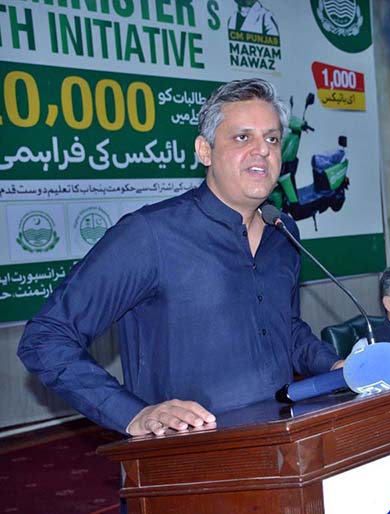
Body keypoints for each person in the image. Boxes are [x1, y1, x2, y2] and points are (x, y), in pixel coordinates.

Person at [17, 78, 342, 437]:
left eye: (272, 139)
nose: (262, 150)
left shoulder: (283, 232)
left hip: (283, 446)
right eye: (242, 137)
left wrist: (338, 365)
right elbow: (45, 338)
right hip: (185, 459)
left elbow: (285, 330)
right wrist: (132, 414)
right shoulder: (149, 234)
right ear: (204, 151)